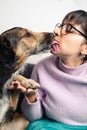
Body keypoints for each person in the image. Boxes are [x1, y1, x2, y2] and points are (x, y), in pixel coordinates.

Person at [9, 10, 87, 130]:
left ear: (85, 48)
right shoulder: (42, 67)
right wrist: (31, 95)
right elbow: (33, 117)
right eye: (60, 26)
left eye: (69, 29)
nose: (56, 31)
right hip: (49, 126)